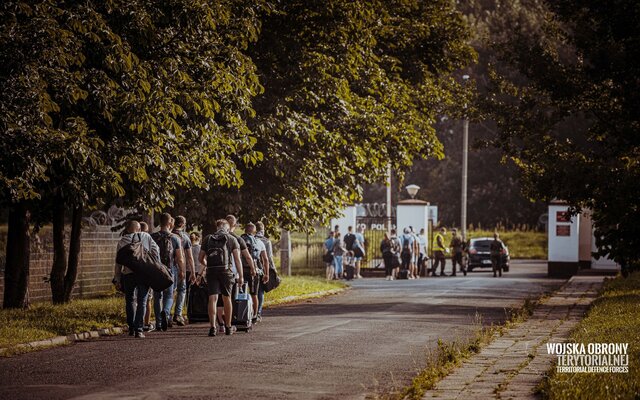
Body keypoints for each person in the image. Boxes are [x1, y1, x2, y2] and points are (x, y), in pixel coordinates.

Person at [113, 220, 159, 338]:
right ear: (139, 229)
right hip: (143, 273)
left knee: (130, 300)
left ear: (127, 230)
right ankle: (139, 329)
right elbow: (156, 250)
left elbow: (118, 262)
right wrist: (155, 265)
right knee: (142, 300)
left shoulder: (122, 241)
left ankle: (131, 328)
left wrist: (117, 279)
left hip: (128, 274)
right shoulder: (146, 236)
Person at [199, 219, 244, 336]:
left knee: (212, 299)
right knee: (227, 298)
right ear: (227, 228)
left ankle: (213, 327)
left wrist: (207, 264)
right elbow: (237, 260)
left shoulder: (208, 239)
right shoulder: (231, 239)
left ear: (217, 227)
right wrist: (241, 276)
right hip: (226, 271)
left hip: (211, 271)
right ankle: (228, 327)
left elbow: (200, 258)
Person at [151, 213, 185, 331]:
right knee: (169, 296)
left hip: (155, 270)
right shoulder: (175, 238)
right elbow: (179, 258)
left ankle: (158, 323)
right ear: (170, 223)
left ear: (160, 223)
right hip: (169, 270)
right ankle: (165, 311)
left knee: (157, 296)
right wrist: (182, 271)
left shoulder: (152, 236)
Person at [242, 223, 270, 323]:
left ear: (245, 230)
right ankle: (255, 316)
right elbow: (265, 259)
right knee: (255, 294)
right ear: (255, 232)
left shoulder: (240, 240)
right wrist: (266, 274)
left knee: (240, 293)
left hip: (242, 270)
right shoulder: (259, 242)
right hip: (255, 271)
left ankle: (240, 314)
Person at [172, 216, 196, 326]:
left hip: (167, 266)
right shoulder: (185, 237)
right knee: (182, 290)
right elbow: (190, 257)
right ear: (183, 224)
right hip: (181, 267)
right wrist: (192, 271)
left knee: (169, 292)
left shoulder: (169, 234)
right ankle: (178, 314)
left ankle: (166, 314)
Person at [255, 221, 276, 320]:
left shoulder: (249, 239)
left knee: (251, 290)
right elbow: (269, 258)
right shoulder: (266, 241)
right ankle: (258, 313)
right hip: (262, 268)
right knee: (260, 291)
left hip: (250, 268)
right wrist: (273, 270)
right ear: (263, 230)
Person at [139, 221, 154, 332]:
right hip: (146, 270)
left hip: (131, 272)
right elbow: (155, 251)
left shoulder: (128, 238)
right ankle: (146, 323)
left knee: (133, 299)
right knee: (147, 299)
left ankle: (134, 323)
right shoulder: (147, 237)